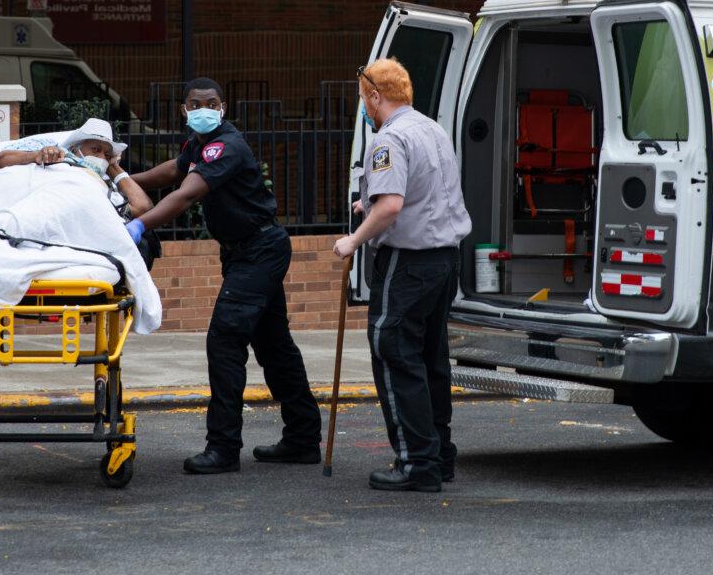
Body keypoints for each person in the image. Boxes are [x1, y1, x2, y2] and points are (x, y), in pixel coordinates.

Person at [129, 77, 322, 474]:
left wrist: (138, 227)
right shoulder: (198, 144)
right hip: (246, 253)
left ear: (223, 107)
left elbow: (186, 193)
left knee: (225, 340)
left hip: (259, 251)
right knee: (274, 345)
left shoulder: (225, 145)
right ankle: (303, 440)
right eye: (195, 103)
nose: (203, 109)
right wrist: (125, 180)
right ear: (184, 110)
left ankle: (223, 448)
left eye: (211, 103)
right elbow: (173, 171)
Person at [332, 58, 472, 493]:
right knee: (431, 358)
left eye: (363, 99)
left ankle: (417, 464)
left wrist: (354, 240)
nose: (363, 108)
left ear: (375, 95)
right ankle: (439, 456)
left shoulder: (387, 139)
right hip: (445, 259)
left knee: (394, 351)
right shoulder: (433, 129)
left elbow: (392, 206)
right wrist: (368, 206)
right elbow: (417, 194)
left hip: (408, 264)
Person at [0, 118, 153, 219]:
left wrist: (113, 167)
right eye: (95, 150)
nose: (101, 158)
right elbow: (0, 161)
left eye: (107, 154)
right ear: (76, 148)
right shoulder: (55, 159)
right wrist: (36, 156)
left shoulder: (103, 184)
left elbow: (143, 208)